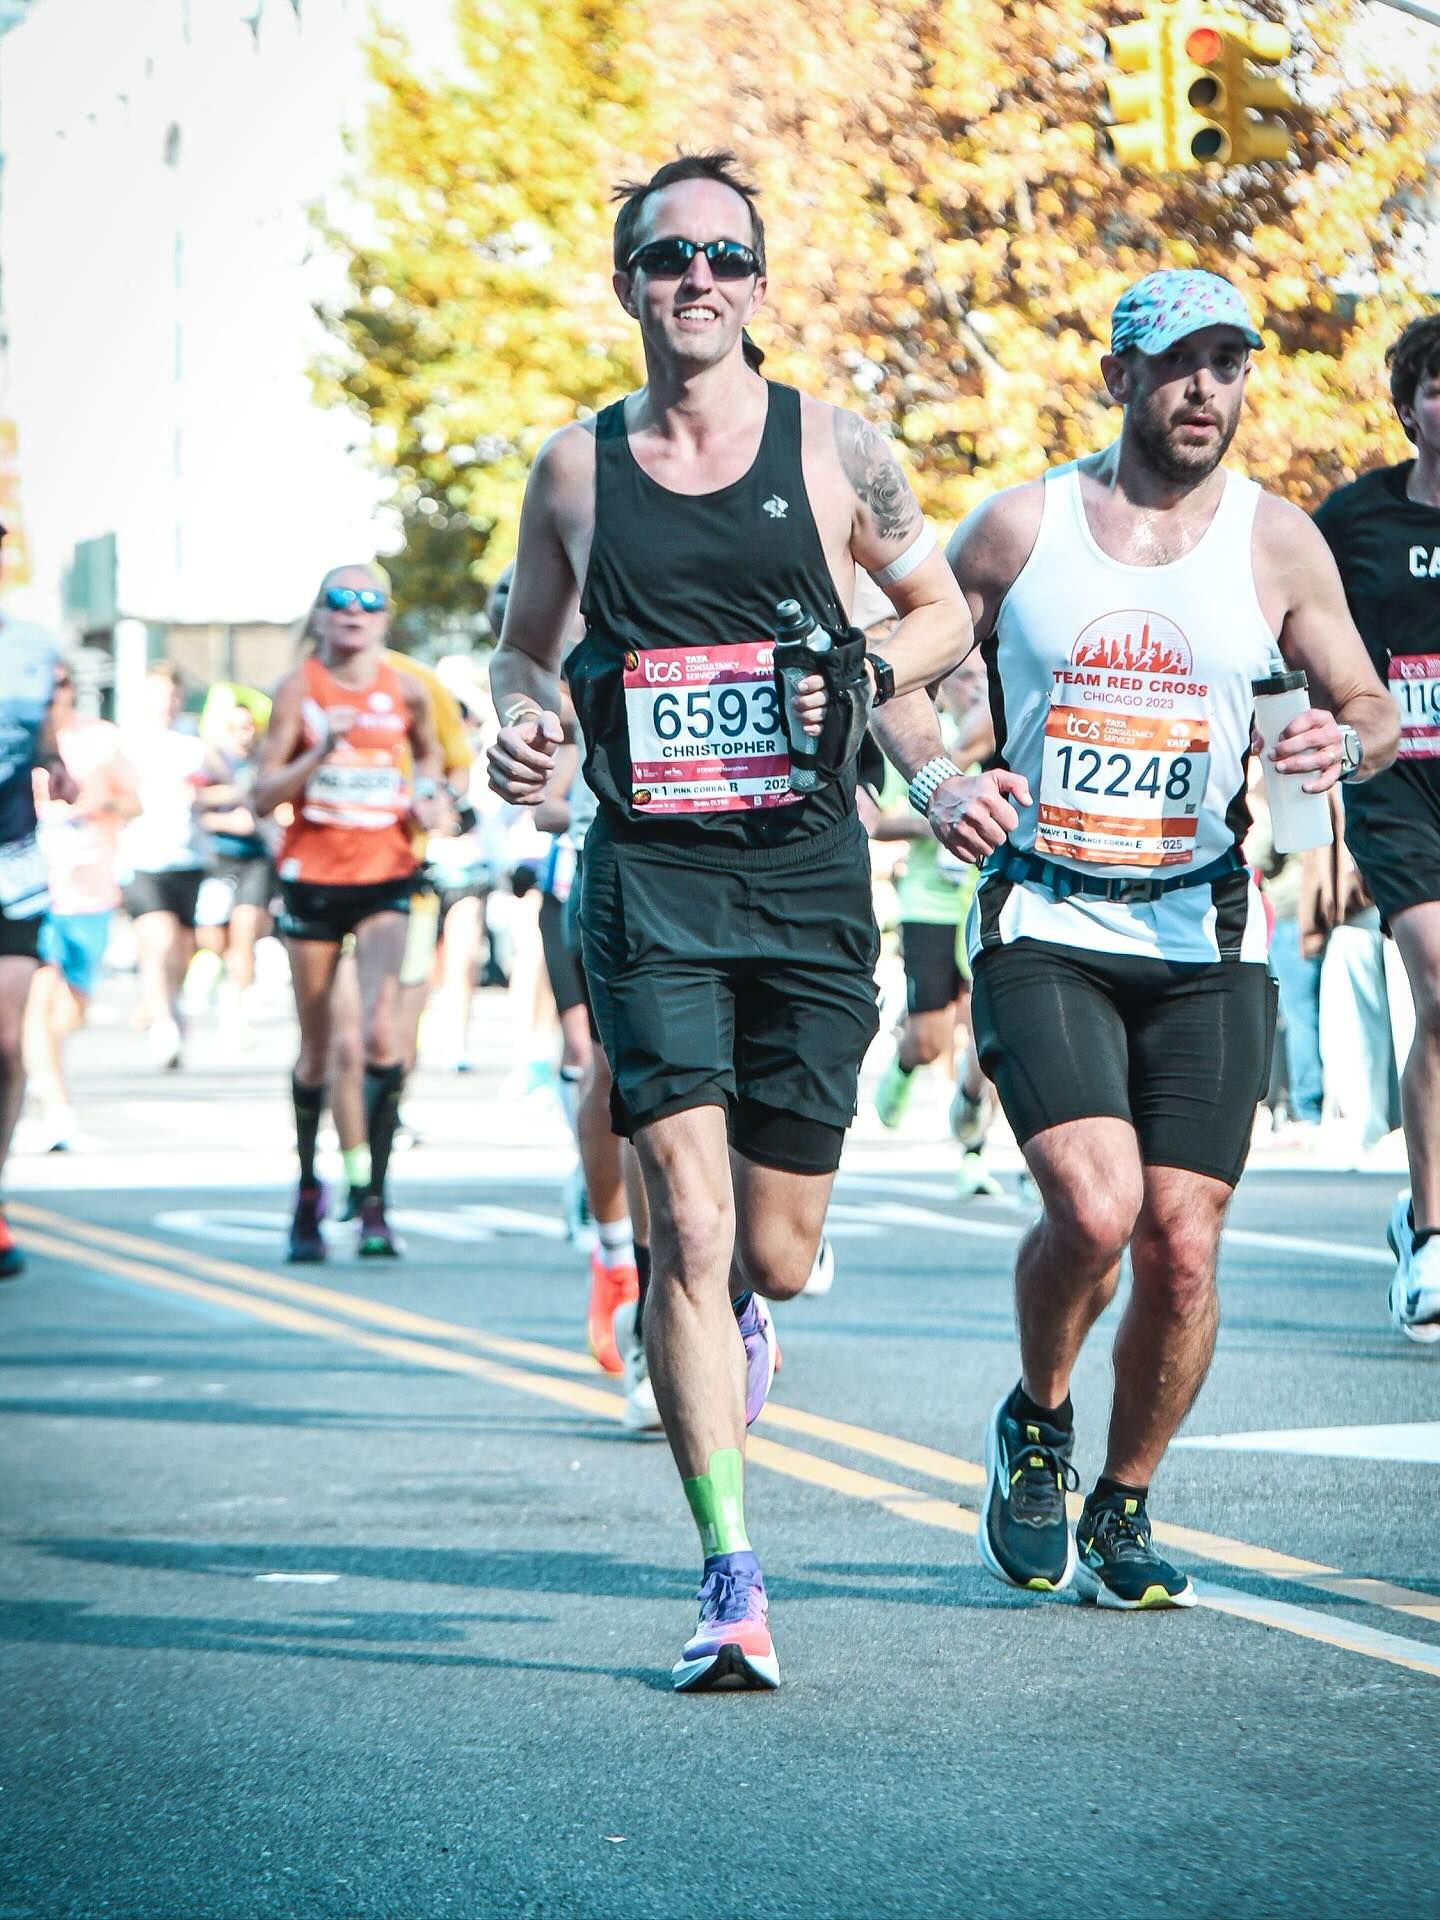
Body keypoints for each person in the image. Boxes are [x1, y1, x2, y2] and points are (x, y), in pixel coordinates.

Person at [486, 151, 968, 1690]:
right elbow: (520, 651)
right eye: (669, 257)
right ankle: (731, 1582)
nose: (700, 279)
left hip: (812, 874)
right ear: (625, 282)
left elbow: (943, 605)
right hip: (652, 882)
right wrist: (525, 729)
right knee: (683, 1226)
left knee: (774, 1240)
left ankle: (753, 1308)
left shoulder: (839, 451)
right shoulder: (576, 470)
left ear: (760, 287)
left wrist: (862, 672)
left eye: (727, 259)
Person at [875, 269, 1398, 1609]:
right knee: (1097, 1211)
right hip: (1046, 915)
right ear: (1118, 379)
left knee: (1180, 1245)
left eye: (1229, 364)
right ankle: (1038, 1419)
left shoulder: (1277, 542)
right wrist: (939, 781)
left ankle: (1126, 1496)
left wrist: (1339, 734)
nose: (1207, 390)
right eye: (1180, 364)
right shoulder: (1020, 527)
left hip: (1207, 932)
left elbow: (1369, 702)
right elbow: (895, 671)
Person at [255, 564, 442, 1260]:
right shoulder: (299, 689)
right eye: (340, 600)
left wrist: (432, 797)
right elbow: (260, 790)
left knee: (378, 1038)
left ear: (385, 617)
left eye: (369, 602)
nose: (354, 612)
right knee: (319, 1051)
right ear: (321, 615)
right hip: (313, 883)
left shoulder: (410, 692)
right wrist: (322, 752)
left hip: (385, 876)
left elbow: (433, 763)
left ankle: (374, 1202)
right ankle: (308, 1192)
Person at [1315, 314, 1440, 1340]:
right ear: (1408, 408)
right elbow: (1298, 650)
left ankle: (1417, 1215)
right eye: (1437, 385)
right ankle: (1436, 1236)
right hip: (1398, 786)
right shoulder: (1354, 522)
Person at [26, 659, 139, 1150]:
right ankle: (55, 1107)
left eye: (63, 683)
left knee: (72, 1010)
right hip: (35, 892)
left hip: (92, 890)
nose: (56, 693)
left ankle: (36, 1066)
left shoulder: (100, 739)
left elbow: (136, 803)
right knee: (38, 1002)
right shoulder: (18, 738)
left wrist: (98, 808)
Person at [0, 607, 76, 1274]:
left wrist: (56, 764)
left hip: (12, 860)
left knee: (5, 1040)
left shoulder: (30, 645)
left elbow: (43, 740)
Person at [117, 662, 219, 1069]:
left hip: (190, 856)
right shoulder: (127, 742)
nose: (167, 703)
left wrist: (204, 797)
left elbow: (237, 785)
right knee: (157, 941)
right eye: (159, 694)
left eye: (173, 695)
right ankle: (164, 1024)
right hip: (142, 855)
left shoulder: (196, 740)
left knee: (183, 948)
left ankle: (169, 1004)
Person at [193, 691, 276, 1038]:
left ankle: (236, 1007)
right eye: (237, 726)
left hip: (255, 858)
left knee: (246, 929)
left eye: (249, 725)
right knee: (211, 936)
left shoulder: (265, 762)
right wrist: (231, 811)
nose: (245, 732)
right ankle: (216, 974)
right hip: (216, 857)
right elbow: (194, 806)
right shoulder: (211, 761)